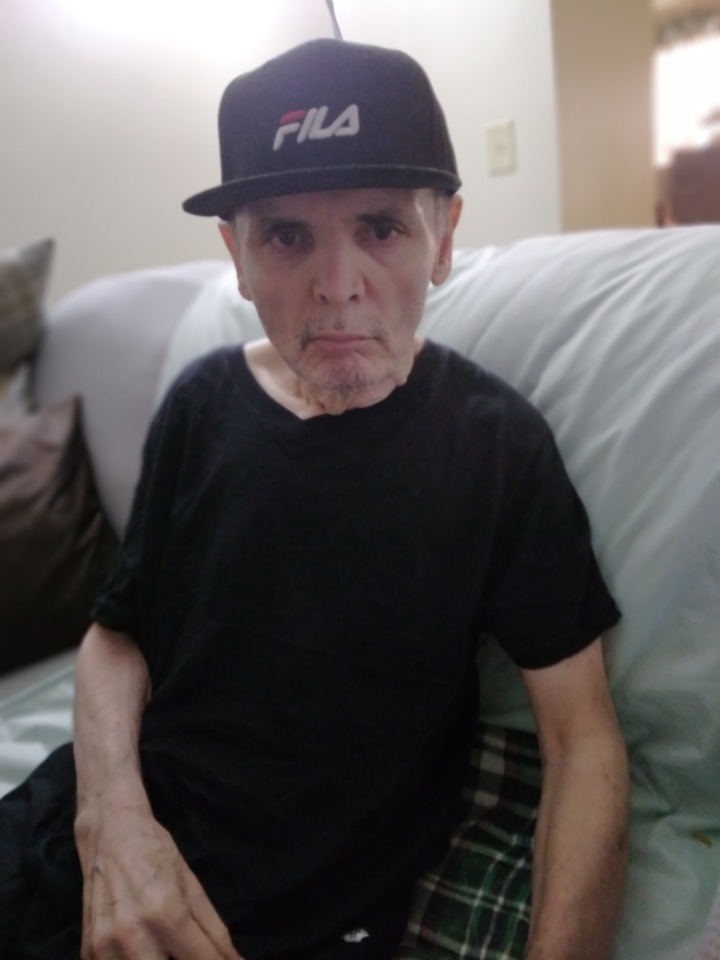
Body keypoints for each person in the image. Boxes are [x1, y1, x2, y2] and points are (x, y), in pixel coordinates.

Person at [0, 38, 629, 960]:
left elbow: (582, 739)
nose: (337, 288)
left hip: (281, 915)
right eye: (287, 237)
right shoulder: (201, 403)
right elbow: (116, 634)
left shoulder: (496, 447)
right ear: (237, 256)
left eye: (382, 227)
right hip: (79, 841)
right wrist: (114, 826)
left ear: (445, 237)